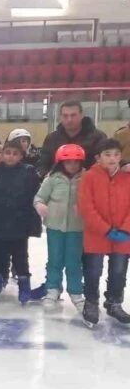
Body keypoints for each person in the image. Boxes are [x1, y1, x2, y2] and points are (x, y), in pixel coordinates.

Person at [78, 139, 130, 327]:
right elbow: (86, 207)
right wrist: (105, 229)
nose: (113, 159)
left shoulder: (127, 176)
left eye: (116, 154)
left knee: (118, 271)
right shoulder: (89, 177)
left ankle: (114, 302)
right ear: (98, 157)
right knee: (93, 270)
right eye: (108, 155)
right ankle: (91, 302)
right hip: (96, 234)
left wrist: (126, 228)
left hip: (123, 236)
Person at [0, 140, 42, 304]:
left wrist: (33, 224)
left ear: (21, 156)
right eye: (7, 153)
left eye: (15, 154)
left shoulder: (28, 172)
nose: (10, 156)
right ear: (2, 154)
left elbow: (34, 197)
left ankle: (24, 286)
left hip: (19, 223)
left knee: (20, 257)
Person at [34, 144, 86, 313]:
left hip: (77, 227)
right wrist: (40, 205)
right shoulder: (52, 179)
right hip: (55, 226)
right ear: (60, 162)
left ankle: (76, 291)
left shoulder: (86, 178)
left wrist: (85, 208)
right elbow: (39, 197)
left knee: (74, 261)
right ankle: (53, 288)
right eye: (68, 162)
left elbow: (93, 198)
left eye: (76, 162)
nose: (73, 165)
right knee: (55, 259)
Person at [38, 100, 107, 177]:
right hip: (58, 184)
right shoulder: (51, 138)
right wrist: (47, 176)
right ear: (60, 117)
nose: (69, 119)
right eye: (65, 115)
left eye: (73, 115)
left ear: (81, 115)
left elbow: (107, 160)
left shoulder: (98, 137)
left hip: (89, 183)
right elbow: (43, 164)